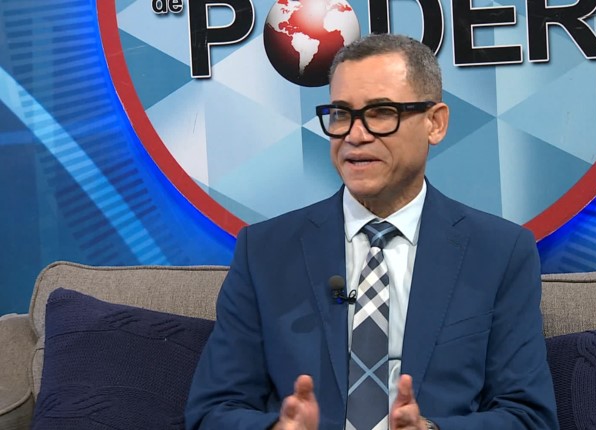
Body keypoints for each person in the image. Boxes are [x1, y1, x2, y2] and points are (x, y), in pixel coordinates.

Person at [185, 33, 558, 430]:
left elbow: (529, 417)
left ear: (435, 123)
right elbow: (212, 411)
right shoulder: (264, 252)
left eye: (381, 112)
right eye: (341, 114)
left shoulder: (499, 253)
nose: (355, 135)